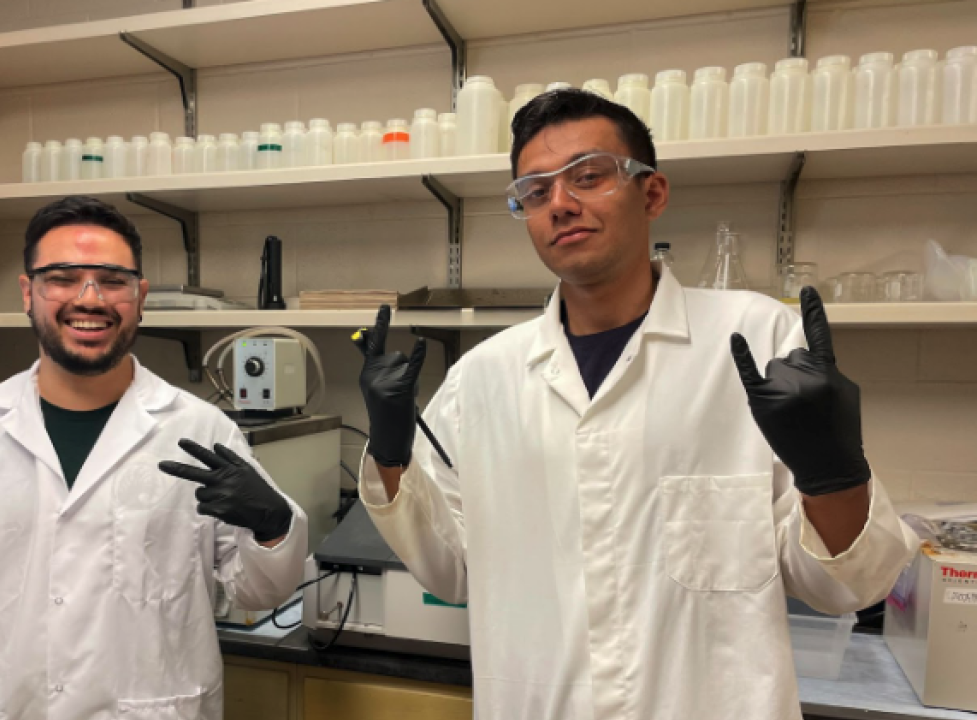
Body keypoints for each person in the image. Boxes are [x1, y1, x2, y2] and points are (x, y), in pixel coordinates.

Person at [353, 90, 918, 720]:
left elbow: (847, 586)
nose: (561, 203)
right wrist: (392, 455)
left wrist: (832, 472)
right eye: (535, 192)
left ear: (651, 194)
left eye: (588, 177)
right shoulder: (484, 376)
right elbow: (452, 572)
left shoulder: (757, 342)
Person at [0, 195, 307, 720]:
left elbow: (259, 591)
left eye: (112, 280)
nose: (89, 298)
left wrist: (273, 525)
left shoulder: (200, 428)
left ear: (140, 295)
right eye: (61, 277)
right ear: (28, 293)